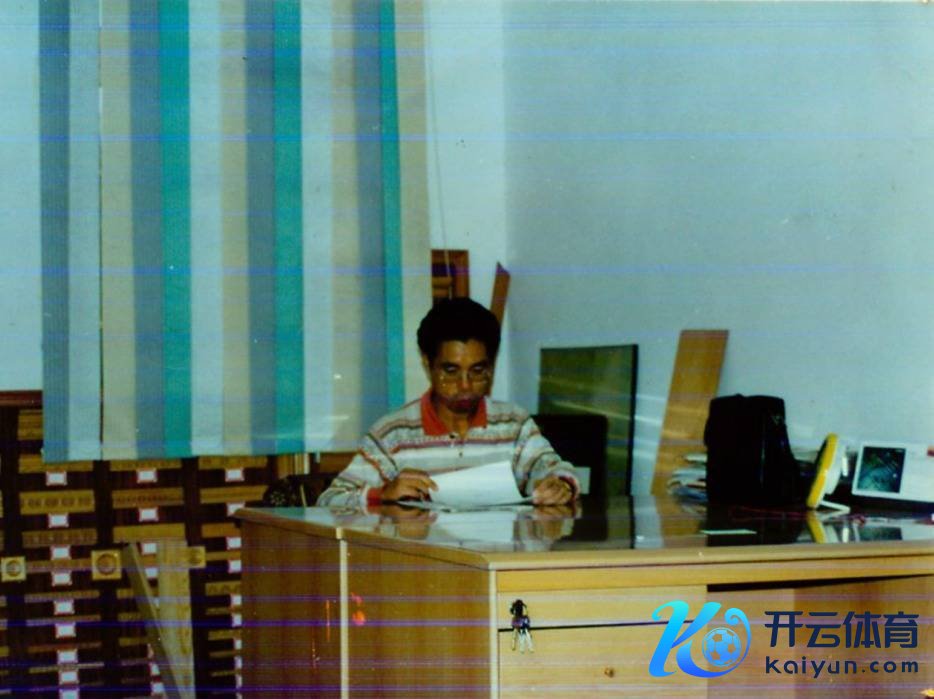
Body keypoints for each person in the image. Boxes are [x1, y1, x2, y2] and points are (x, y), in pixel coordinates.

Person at [317, 297, 579, 508]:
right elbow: (330, 501)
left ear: (491, 367)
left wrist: (561, 485)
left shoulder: (513, 425)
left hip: (496, 555)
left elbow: (556, 469)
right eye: (450, 371)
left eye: (477, 371)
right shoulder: (394, 434)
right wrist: (382, 494)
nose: (465, 385)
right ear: (428, 364)